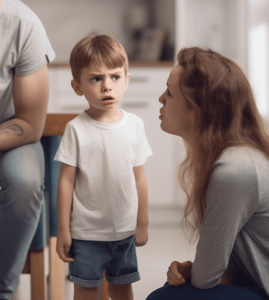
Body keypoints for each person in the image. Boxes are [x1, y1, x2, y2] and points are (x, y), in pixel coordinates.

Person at [146, 47, 269, 300]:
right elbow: (231, 267)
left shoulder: (234, 170)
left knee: (163, 298)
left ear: (199, 109)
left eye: (169, 92)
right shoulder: (238, 158)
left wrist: (196, 271)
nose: (161, 98)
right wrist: (193, 269)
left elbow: (206, 279)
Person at [55, 34, 152, 300]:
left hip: (124, 231)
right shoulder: (75, 129)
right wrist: (63, 229)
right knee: (86, 291)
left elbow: (139, 178)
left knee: (122, 289)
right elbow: (65, 182)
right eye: (96, 79)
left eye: (115, 77)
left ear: (127, 80)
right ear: (78, 86)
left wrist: (142, 222)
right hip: (86, 234)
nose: (107, 86)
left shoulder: (135, 125)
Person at [0, 0, 55, 299]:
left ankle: (2, 290)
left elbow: (30, 123)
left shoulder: (20, 22)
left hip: (12, 135)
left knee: (24, 182)